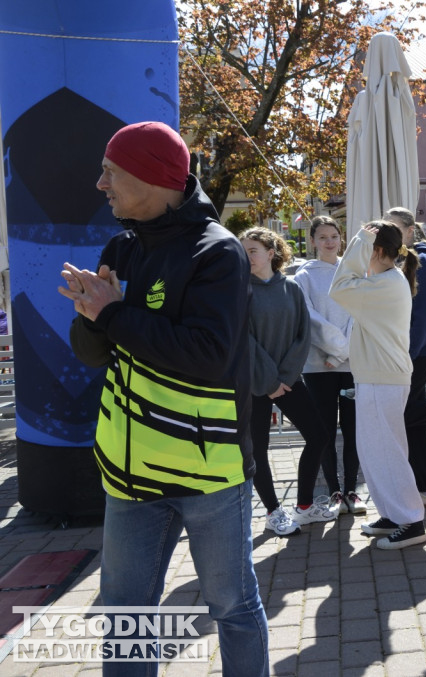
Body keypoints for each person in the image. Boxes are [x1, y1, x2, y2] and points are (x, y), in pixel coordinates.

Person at [60, 121, 268, 676]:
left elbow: (206, 354)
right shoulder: (120, 246)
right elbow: (94, 354)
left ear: (150, 177)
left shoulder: (217, 252)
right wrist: (91, 317)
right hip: (129, 474)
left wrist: (113, 314)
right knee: (125, 614)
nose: (100, 184)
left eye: (110, 171)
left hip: (209, 474)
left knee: (232, 608)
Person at [330, 221, 426, 549]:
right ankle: (393, 514)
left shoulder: (386, 283)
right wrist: (363, 243)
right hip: (378, 378)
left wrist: (360, 241)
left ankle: (411, 520)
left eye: (364, 247)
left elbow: (339, 287)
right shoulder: (385, 281)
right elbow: (347, 284)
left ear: (378, 251)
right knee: (375, 453)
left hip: (383, 379)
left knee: (387, 453)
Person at [241, 227, 341, 536]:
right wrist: (269, 381)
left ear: (271, 253)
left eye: (252, 251)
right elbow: (243, 341)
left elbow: (302, 335)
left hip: (287, 380)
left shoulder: (292, 288)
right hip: (253, 384)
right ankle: (273, 512)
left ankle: (305, 506)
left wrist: (284, 377)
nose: (247, 256)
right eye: (243, 251)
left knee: (319, 436)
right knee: (257, 449)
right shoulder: (238, 291)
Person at [292, 216, 366, 516]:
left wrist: (339, 355)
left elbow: (359, 314)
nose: (329, 242)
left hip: (350, 365)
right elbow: (309, 318)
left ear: (341, 237)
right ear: (313, 241)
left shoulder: (353, 271)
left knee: (353, 430)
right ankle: (334, 491)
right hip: (317, 366)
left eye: (334, 235)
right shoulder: (303, 276)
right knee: (323, 432)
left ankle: (352, 489)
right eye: (322, 237)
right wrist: (335, 351)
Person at [386, 207, 426, 508]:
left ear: (410, 231)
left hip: (418, 352)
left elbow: (423, 320)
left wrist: (405, 358)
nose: (389, 233)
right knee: (412, 417)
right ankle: (423, 486)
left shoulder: (422, 262)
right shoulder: (406, 260)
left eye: (395, 228)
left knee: (406, 414)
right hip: (412, 351)